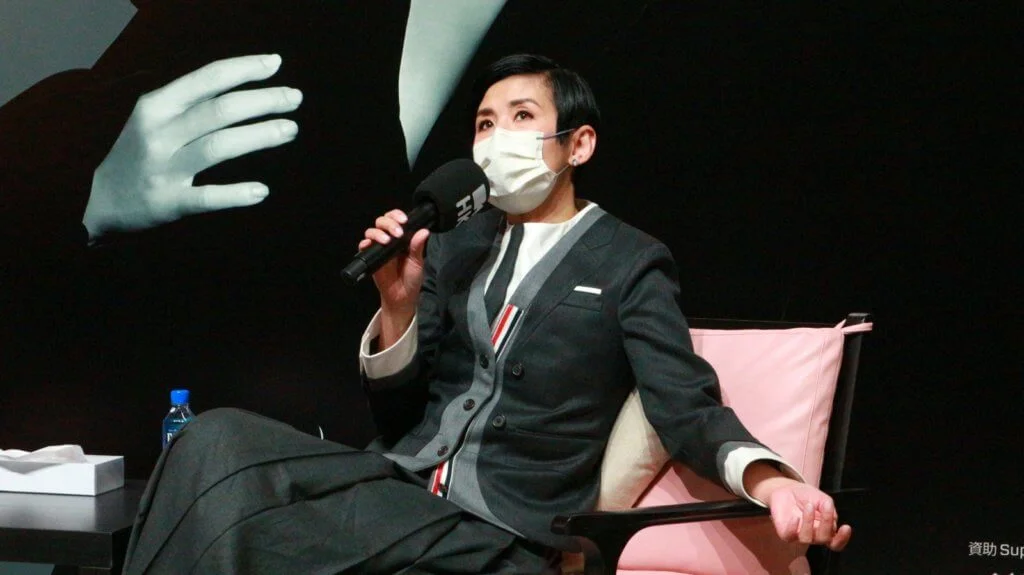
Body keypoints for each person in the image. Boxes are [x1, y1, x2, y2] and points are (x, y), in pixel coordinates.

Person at [122, 54, 850, 575]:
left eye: (522, 118)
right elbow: (398, 410)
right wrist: (398, 304)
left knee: (249, 534)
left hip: (500, 534)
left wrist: (773, 482)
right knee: (214, 438)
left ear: (578, 145)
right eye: (483, 124)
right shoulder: (453, 242)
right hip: (396, 490)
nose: (496, 138)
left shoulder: (631, 260)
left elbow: (685, 404)